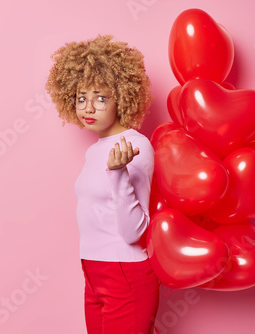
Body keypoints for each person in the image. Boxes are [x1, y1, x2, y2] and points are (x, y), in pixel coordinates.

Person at [45, 35, 159, 334]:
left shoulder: (137, 146)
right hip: (93, 272)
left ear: (121, 96)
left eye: (100, 97)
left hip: (125, 273)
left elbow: (134, 231)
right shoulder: (95, 150)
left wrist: (119, 172)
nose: (88, 107)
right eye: (81, 97)